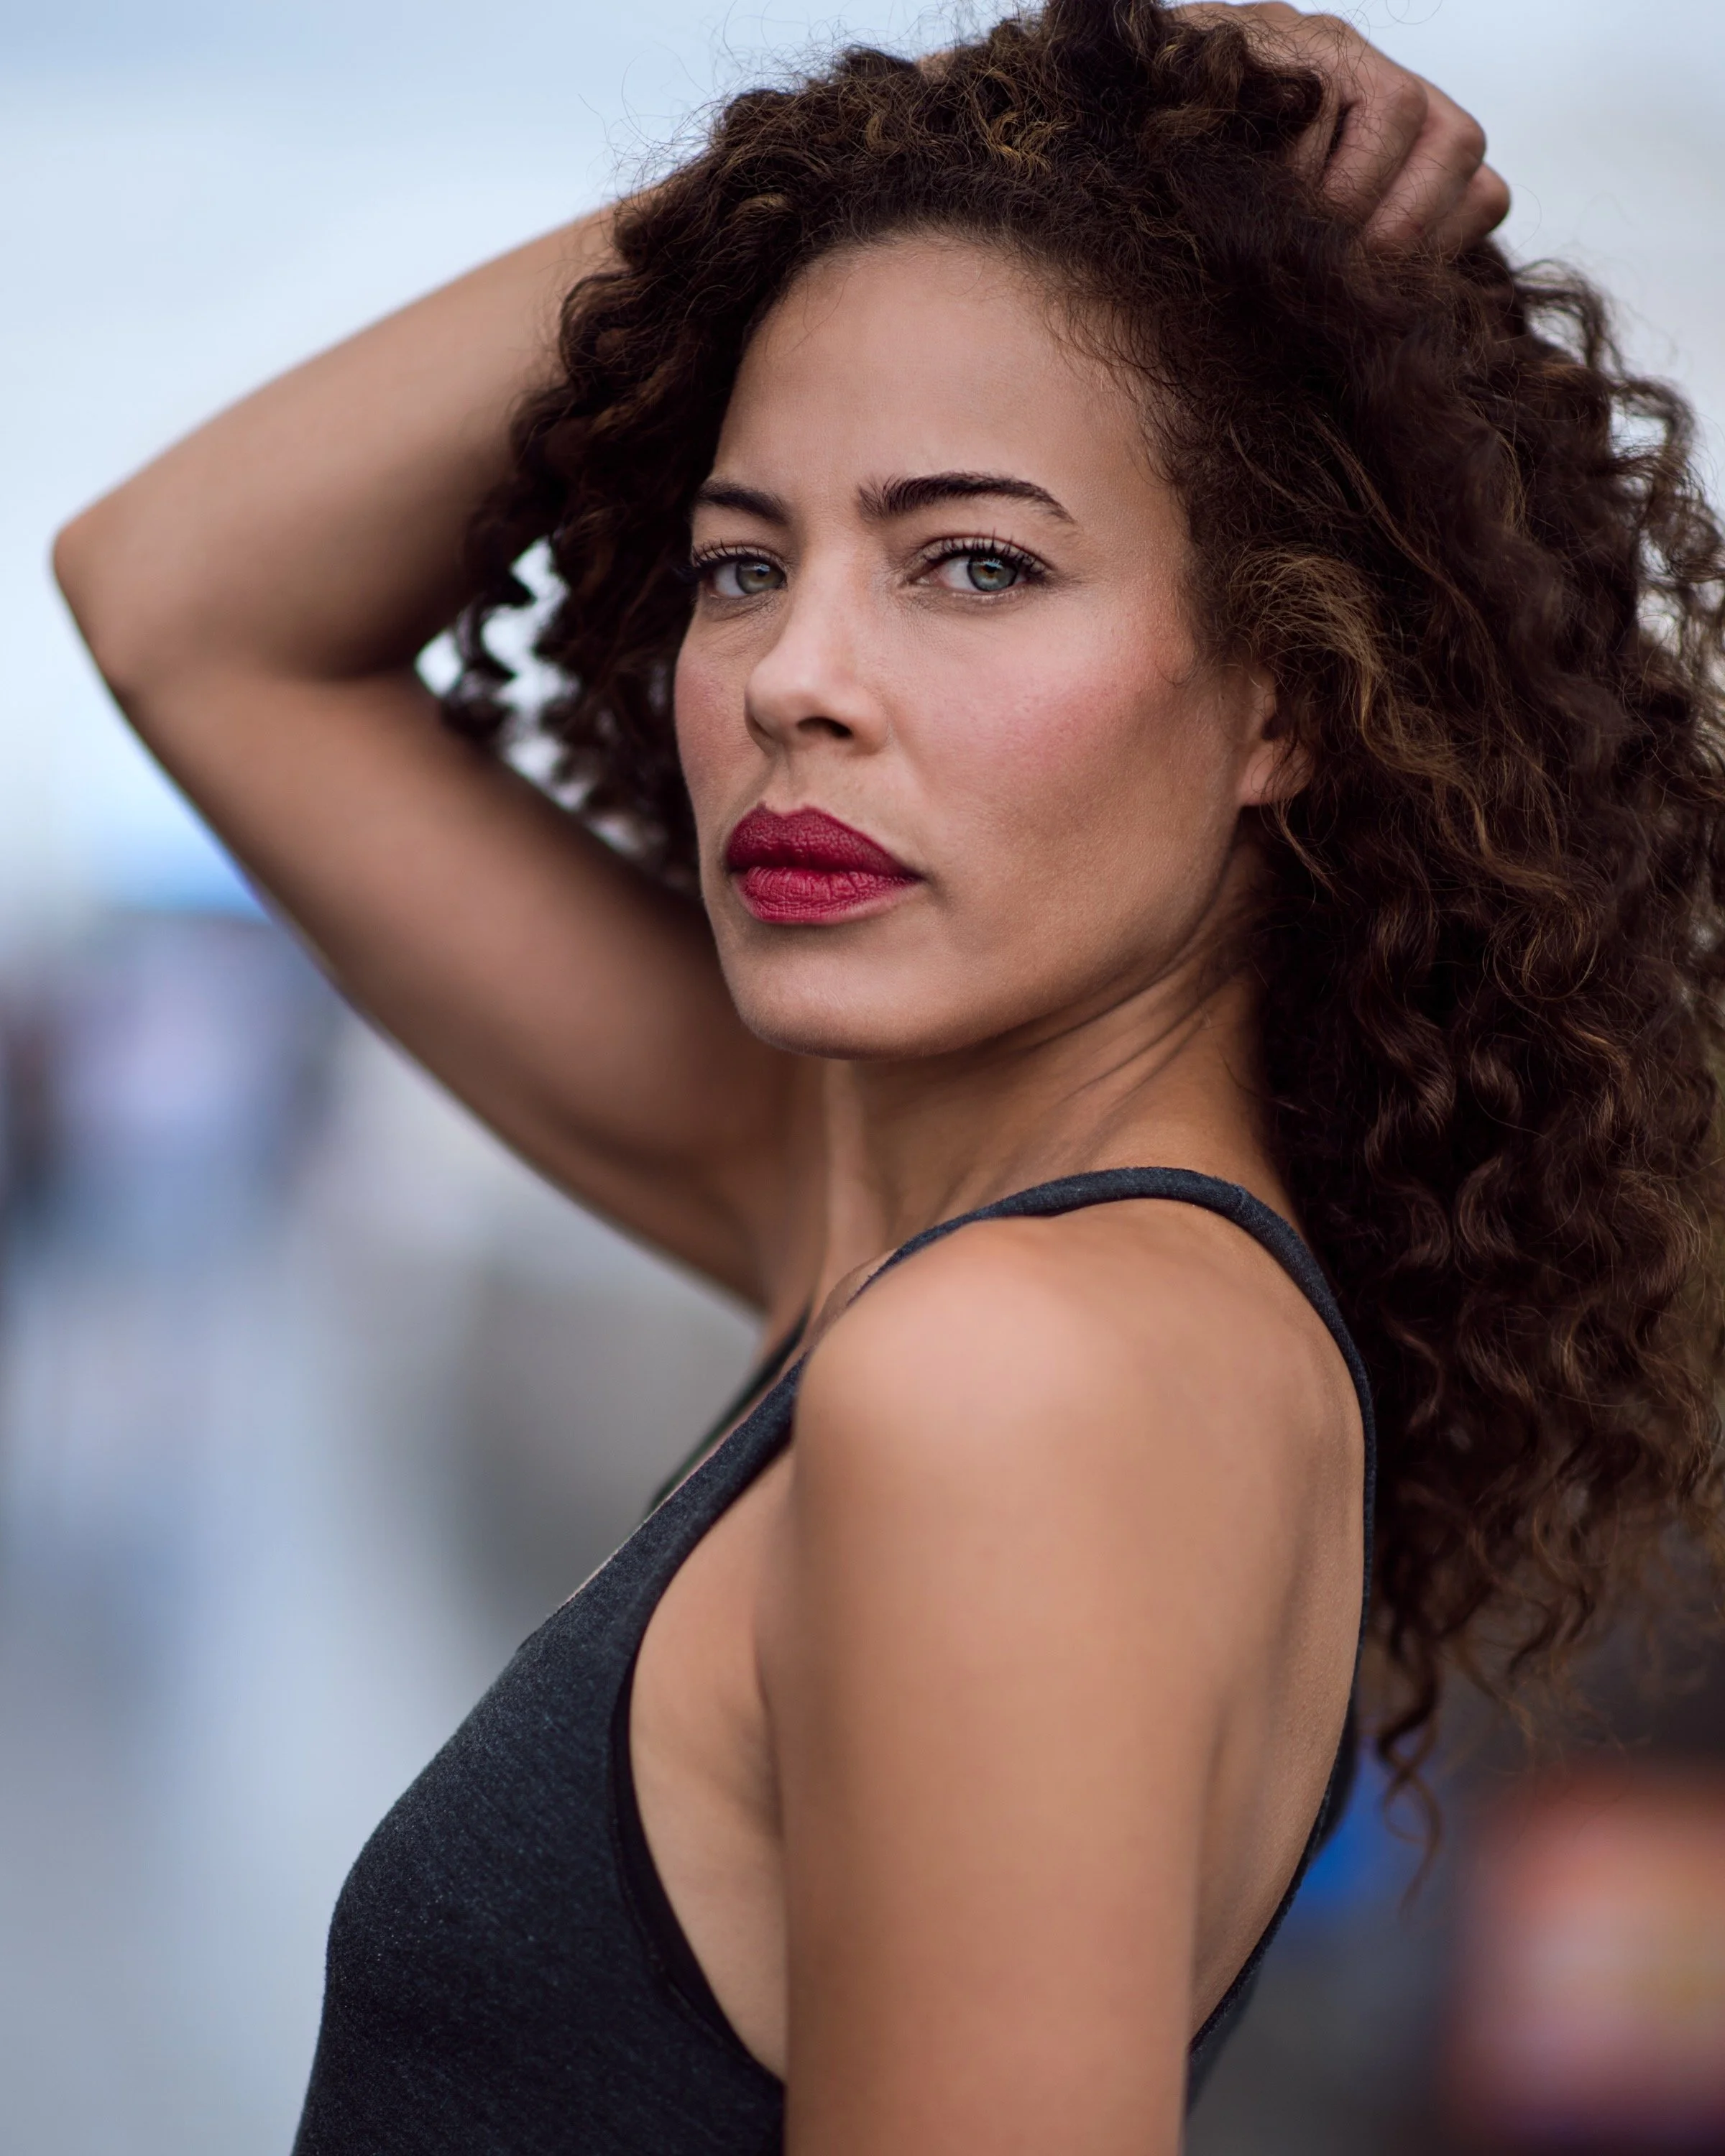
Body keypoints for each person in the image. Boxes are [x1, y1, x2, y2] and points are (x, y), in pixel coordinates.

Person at [52, 2, 1725, 2149]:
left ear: (1290, 705)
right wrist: (919, 143)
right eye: (748, 566)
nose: (794, 679)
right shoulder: (899, 1221)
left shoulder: (1008, 1377)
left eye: (977, 562)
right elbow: (176, 603)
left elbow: (181, 606)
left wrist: (955, 144)